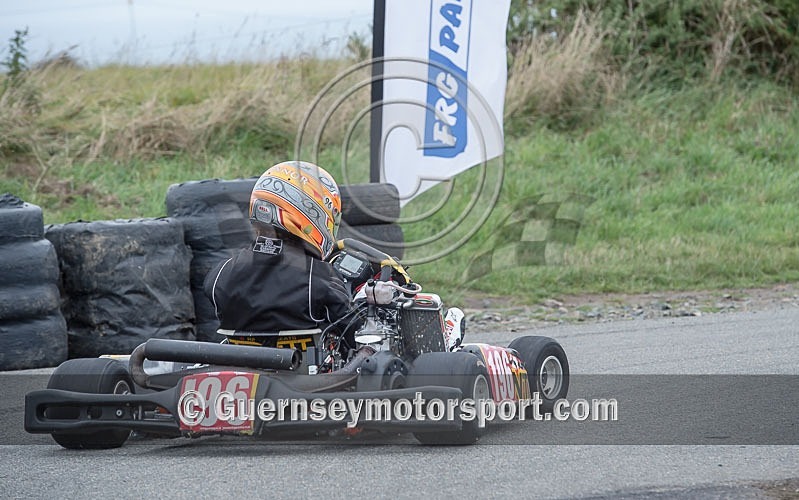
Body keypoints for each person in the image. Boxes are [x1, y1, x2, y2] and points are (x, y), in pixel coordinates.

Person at [203, 160, 354, 349]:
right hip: (306, 376)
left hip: (241, 371)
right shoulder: (320, 278)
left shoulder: (219, 276)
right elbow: (351, 333)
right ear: (310, 213)